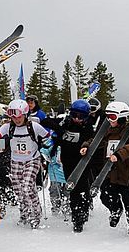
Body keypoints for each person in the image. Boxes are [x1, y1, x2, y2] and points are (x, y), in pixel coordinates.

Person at [82, 101, 129, 234]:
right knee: (106, 195)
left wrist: (119, 154)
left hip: (126, 172)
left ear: (121, 117)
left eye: (113, 117)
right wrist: (86, 146)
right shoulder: (107, 131)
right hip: (110, 171)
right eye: (108, 116)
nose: (109, 119)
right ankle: (115, 210)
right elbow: (96, 139)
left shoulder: (128, 131)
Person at [41, 99, 96, 232]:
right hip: (67, 161)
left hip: (82, 162)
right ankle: (77, 215)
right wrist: (59, 128)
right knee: (72, 190)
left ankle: (80, 217)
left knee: (81, 189)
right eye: (74, 115)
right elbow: (45, 121)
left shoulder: (88, 127)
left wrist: (85, 146)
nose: (77, 119)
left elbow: (91, 139)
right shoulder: (65, 122)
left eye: (81, 116)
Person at [0, 99, 50, 228]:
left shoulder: (34, 126)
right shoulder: (7, 127)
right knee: (19, 191)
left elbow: (48, 137)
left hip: (32, 159)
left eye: (19, 116)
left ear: (25, 114)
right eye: (13, 117)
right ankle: (25, 212)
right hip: (15, 161)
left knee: (27, 187)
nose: (16, 120)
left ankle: (35, 215)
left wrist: (47, 147)